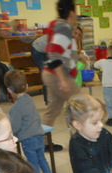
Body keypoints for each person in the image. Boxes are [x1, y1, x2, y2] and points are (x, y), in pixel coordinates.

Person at [4, 69, 56, 173]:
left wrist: (12, 134)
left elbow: (15, 126)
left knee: (32, 162)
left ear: (9, 90)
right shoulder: (30, 99)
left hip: (28, 139)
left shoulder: (15, 108)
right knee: (41, 158)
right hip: (39, 135)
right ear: (27, 86)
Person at [42, 0, 80, 134]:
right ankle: (79, 143)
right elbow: (54, 54)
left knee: (53, 110)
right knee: (79, 108)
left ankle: (44, 142)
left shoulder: (58, 26)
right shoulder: (64, 27)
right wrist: (62, 80)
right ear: (71, 12)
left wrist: (77, 57)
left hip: (50, 74)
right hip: (59, 75)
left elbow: (62, 51)